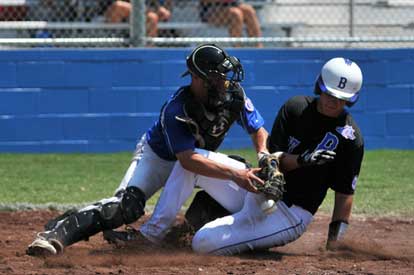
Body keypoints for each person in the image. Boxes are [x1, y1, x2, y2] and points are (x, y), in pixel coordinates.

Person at [26, 43, 269, 256]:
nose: (224, 82)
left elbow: (257, 129)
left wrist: (263, 154)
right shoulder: (177, 110)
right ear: (197, 78)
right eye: (217, 77)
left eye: (224, 76)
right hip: (159, 157)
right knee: (124, 208)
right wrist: (236, 173)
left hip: (193, 161)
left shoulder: (233, 96)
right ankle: (55, 235)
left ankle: (176, 237)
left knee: (229, 174)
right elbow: (188, 160)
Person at [189, 57, 365, 255]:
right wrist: (302, 160)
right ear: (320, 87)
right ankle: (156, 232)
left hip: (290, 213)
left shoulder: (351, 139)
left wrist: (335, 244)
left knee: (201, 243)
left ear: (351, 99)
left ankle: (249, 238)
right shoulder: (295, 108)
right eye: (330, 94)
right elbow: (271, 160)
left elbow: (344, 194)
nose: (334, 102)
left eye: (342, 98)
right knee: (192, 159)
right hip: (260, 188)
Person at [104, 0, 171, 38]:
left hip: (138, 13)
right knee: (119, 6)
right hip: (109, 13)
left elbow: (152, 4)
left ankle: (149, 52)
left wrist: (158, 9)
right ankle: (112, 38)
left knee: (152, 17)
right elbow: (115, 5)